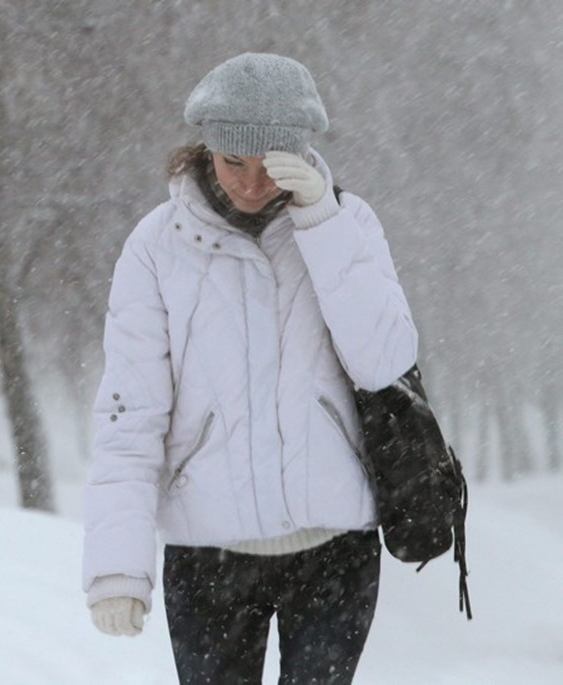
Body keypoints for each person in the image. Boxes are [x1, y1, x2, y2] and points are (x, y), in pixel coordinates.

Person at [81, 52, 419, 684]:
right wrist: (116, 566)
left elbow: (385, 360)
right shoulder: (156, 248)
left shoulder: (347, 223)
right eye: (234, 161)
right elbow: (130, 413)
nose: (252, 183)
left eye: (270, 165)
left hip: (334, 553)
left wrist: (320, 221)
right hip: (208, 557)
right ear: (206, 149)